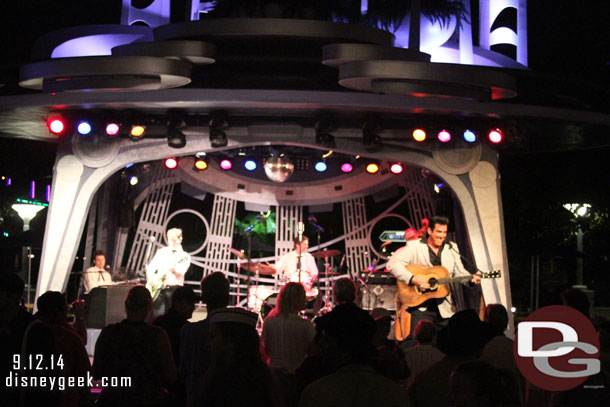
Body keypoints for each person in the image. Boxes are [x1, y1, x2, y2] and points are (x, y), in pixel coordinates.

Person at [387, 215, 481, 342]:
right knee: (416, 343)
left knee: (448, 343)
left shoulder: (451, 248)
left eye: (444, 232)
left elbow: (459, 273)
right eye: (438, 232)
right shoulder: (414, 247)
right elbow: (392, 264)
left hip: (445, 307)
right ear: (430, 231)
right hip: (420, 305)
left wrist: (470, 279)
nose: (442, 236)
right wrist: (413, 279)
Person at [92, 285, 176, 407]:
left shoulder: (109, 333)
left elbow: (96, 373)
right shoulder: (157, 336)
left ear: (126, 305)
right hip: (147, 399)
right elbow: (170, 376)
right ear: (149, 307)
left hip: (113, 399)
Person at [180, 272, 230, 401]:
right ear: (228, 298)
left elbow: (183, 372)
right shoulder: (238, 335)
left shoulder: (189, 331)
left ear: (203, 298)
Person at [36, 291, 91, 407]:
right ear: (58, 311)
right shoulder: (67, 337)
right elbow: (84, 376)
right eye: (65, 308)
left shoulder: (28, 330)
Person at [146, 228, 191, 314]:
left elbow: (180, 272)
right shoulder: (162, 252)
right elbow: (151, 267)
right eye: (170, 240)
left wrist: (173, 269)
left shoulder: (184, 256)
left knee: (172, 314)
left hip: (174, 290)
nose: (172, 243)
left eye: (174, 241)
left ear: (180, 239)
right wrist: (151, 278)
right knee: (157, 314)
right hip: (159, 288)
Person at [152, 286, 198, 367]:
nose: (193, 307)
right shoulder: (187, 329)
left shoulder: (158, 322)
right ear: (178, 303)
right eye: (190, 303)